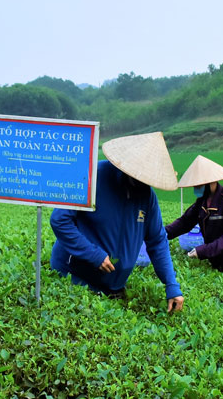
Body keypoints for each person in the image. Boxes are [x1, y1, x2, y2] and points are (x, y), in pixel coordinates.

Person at [49, 132, 184, 312]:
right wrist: (93, 254)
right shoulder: (92, 177)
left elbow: (157, 241)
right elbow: (60, 220)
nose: (144, 182)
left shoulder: (147, 196)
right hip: (74, 278)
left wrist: (171, 285)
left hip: (114, 288)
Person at [165, 155, 223, 283]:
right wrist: (161, 234)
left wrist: (202, 251)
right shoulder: (201, 202)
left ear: (211, 182)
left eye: (199, 185)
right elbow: (185, 222)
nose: (196, 189)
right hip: (218, 262)